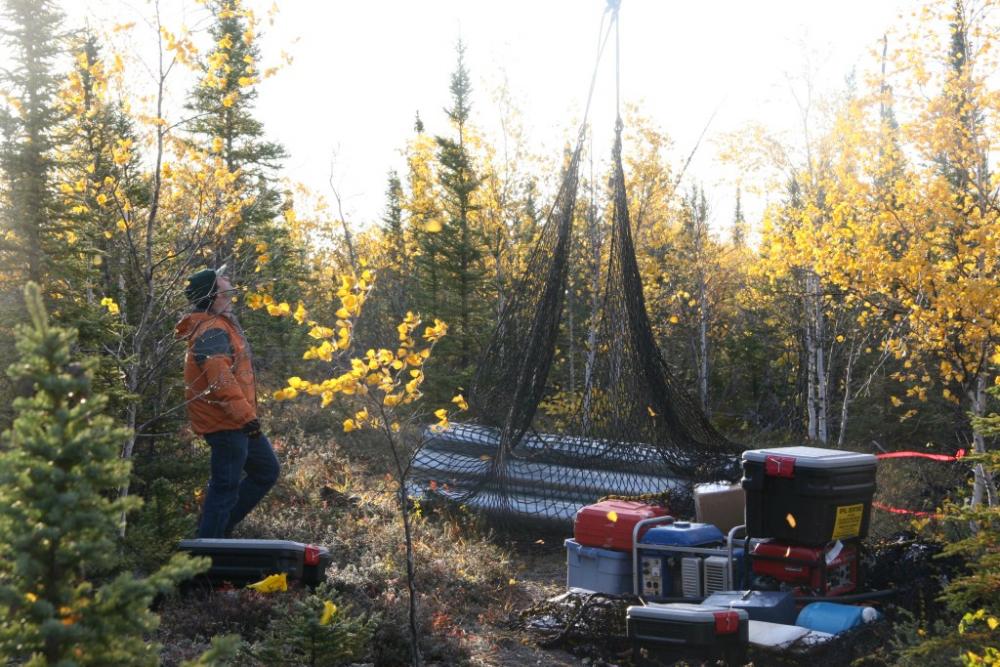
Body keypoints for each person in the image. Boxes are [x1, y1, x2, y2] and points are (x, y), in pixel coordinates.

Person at [176, 265, 280, 538]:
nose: (231, 297)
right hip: (226, 422)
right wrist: (246, 418)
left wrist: (246, 419)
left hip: (236, 420)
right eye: (226, 292)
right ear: (211, 298)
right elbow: (220, 381)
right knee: (225, 487)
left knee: (266, 470)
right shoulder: (211, 331)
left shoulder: (219, 325)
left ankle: (218, 534)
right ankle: (207, 554)